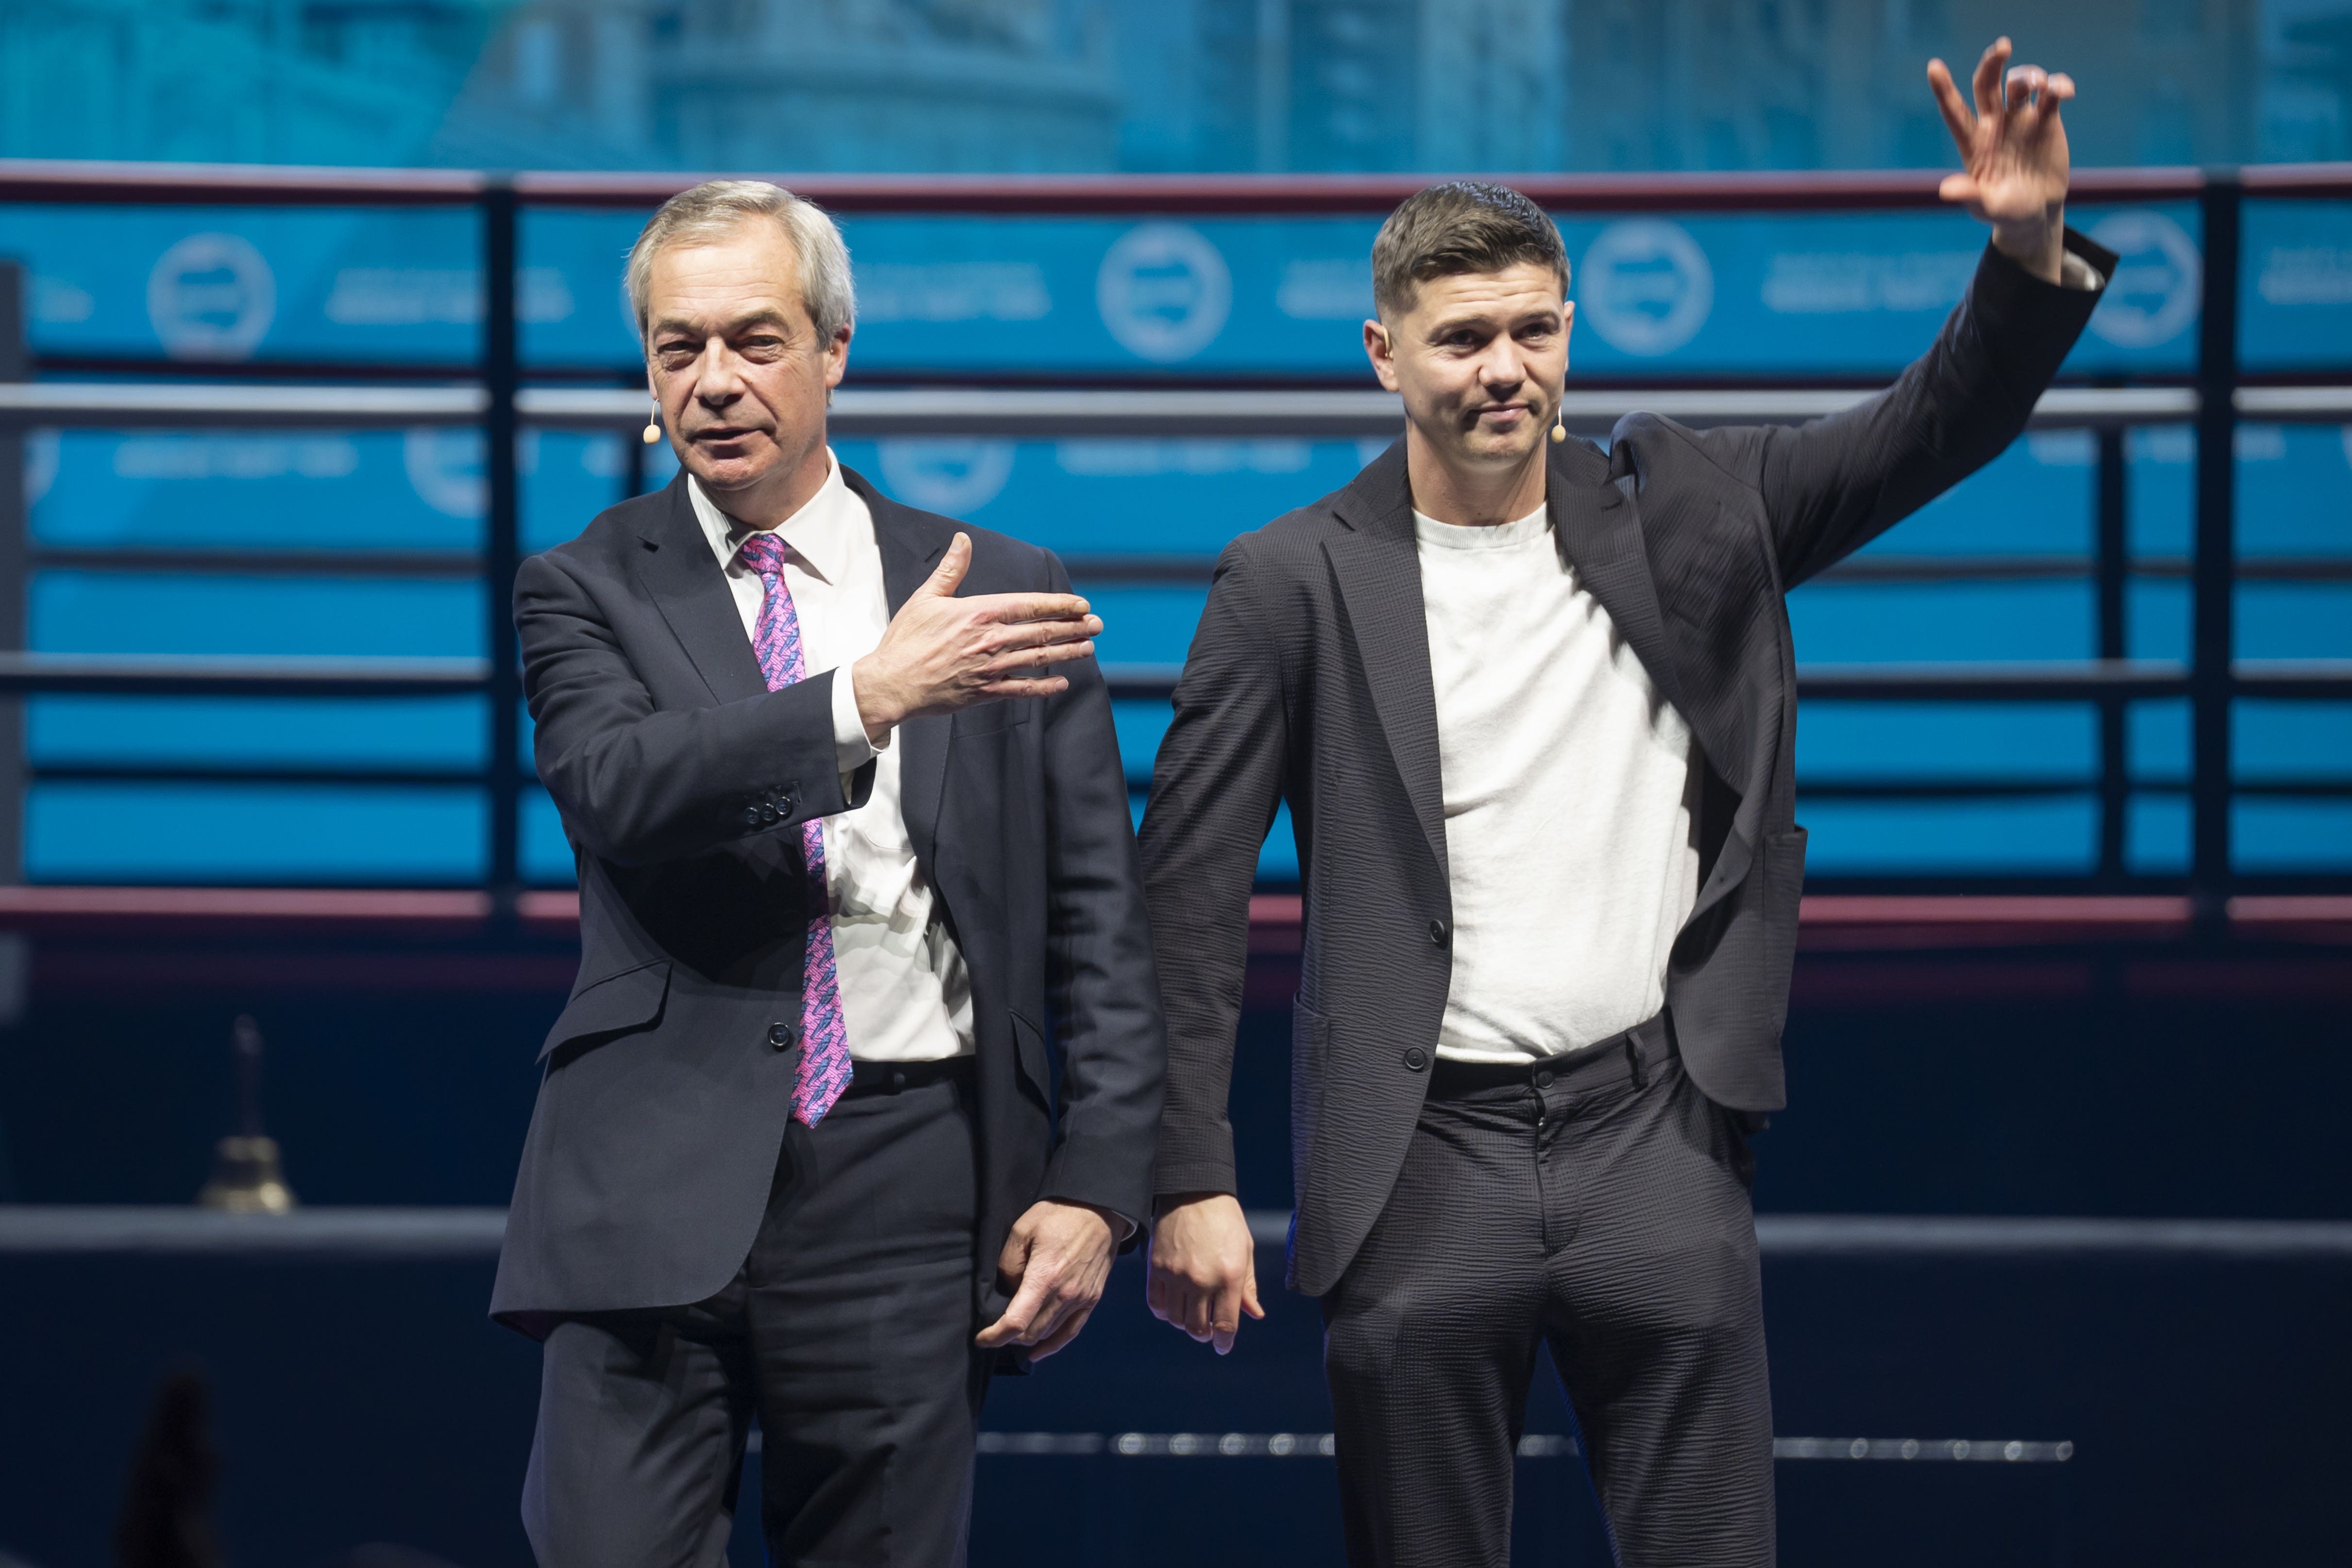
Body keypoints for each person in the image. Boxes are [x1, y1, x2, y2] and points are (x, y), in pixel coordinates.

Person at [1140, 39, 2105, 1568]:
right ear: (1382, 355)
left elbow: (1939, 424)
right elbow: (1182, 904)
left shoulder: (1693, 511)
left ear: (1571, 337)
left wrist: (2020, 250)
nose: (1502, 369)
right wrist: (1185, 1174)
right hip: (1416, 1158)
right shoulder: (1287, 581)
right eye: (1460, 338)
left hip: (1654, 1133)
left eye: (1531, 330)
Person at [490, 179, 1164, 1567]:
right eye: (679, 349)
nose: (715, 382)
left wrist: (1098, 1183)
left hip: (910, 1177)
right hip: (651, 1173)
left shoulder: (992, 583)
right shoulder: (583, 586)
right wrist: (864, 696)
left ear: (833, 350)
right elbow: (619, 790)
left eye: (755, 340)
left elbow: (1097, 913)